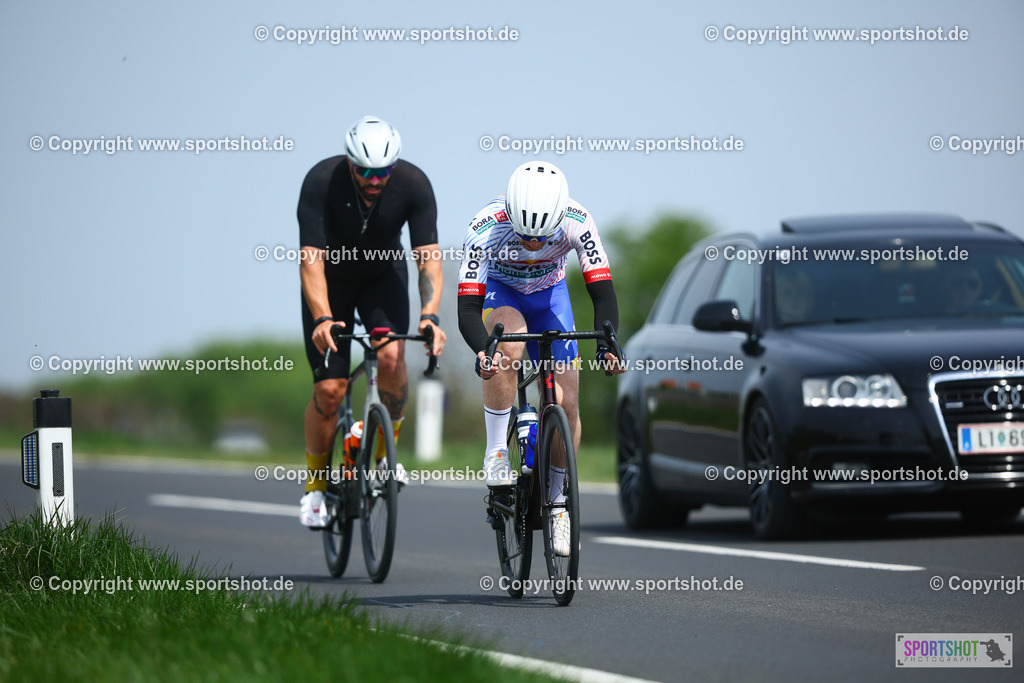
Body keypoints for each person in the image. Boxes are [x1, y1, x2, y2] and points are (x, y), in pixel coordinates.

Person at [457, 161, 625, 555]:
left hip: (550, 297)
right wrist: (485, 350)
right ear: (511, 214)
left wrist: (607, 344)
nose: (533, 245)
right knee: (509, 343)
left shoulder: (578, 220)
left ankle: (558, 504)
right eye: (525, 236)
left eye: (542, 238)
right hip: (502, 293)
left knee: (566, 405)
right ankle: (497, 450)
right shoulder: (485, 227)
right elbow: (467, 308)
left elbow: (602, 294)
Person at [296, 115, 446, 528]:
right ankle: (314, 489)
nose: (374, 179)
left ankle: (385, 456)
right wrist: (323, 317)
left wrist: (430, 316)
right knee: (329, 391)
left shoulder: (414, 184)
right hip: (332, 285)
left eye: (383, 172)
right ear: (349, 163)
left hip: (383, 277)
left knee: (395, 359)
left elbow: (428, 258)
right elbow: (311, 262)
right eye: (364, 171)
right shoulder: (321, 182)